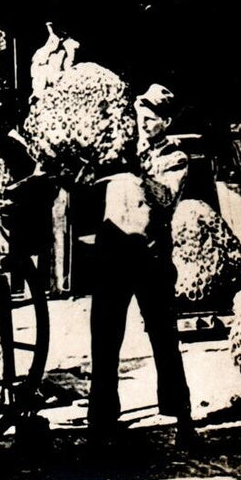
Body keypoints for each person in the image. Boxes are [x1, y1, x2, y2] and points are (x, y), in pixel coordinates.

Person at [88, 84, 197, 450]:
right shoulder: (118, 148)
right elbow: (86, 181)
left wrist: (140, 174)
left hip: (150, 256)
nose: (145, 123)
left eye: (153, 119)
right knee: (104, 337)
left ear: (166, 122)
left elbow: (166, 196)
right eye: (142, 116)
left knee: (164, 337)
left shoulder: (175, 157)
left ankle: (182, 417)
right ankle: (101, 422)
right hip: (111, 254)